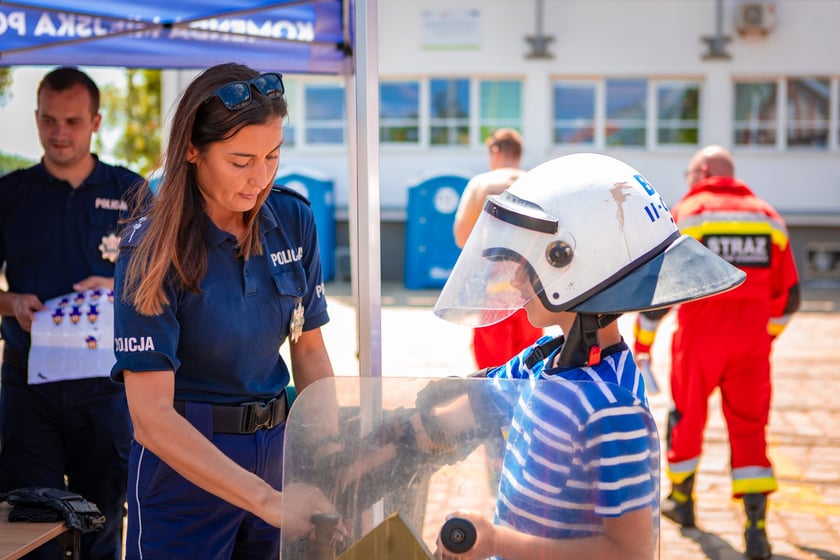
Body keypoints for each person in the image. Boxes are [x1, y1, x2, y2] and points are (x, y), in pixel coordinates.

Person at [428, 152, 746, 559]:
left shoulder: (612, 408)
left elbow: (630, 551)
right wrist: (404, 432)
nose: (517, 278)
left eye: (530, 262)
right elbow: (476, 406)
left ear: (577, 266)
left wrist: (494, 542)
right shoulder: (546, 362)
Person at [111, 62, 339, 559]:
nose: (259, 178)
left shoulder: (292, 219)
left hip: (280, 455)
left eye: (273, 156)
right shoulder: (151, 249)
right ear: (192, 149)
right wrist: (266, 501)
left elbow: (312, 351)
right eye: (240, 161)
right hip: (186, 469)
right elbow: (150, 417)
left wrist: (329, 456)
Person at [632, 144, 800, 560]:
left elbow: (662, 289)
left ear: (703, 170)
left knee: (686, 417)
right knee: (750, 429)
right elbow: (791, 296)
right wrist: (765, 335)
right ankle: (756, 528)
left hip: (700, 340)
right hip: (751, 346)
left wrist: (643, 345)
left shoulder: (690, 211)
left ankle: (682, 503)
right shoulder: (769, 218)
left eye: (690, 174)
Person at [0, 66, 141, 560]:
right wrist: (10, 301)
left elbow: (173, 280)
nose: (60, 133)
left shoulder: (131, 192)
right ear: (36, 118)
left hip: (104, 389)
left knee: (102, 522)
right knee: (28, 522)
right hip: (27, 390)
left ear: (96, 121)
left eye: (73, 121)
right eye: (49, 120)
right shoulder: (10, 194)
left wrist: (119, 282)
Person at [452, 128, 542, 369]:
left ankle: (493, 406)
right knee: (530, 360)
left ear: (495, 151)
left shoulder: (481, 183)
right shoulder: (538, 182)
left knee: (492, 363)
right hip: (532, 284)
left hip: (493, 286)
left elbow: (462, 236)